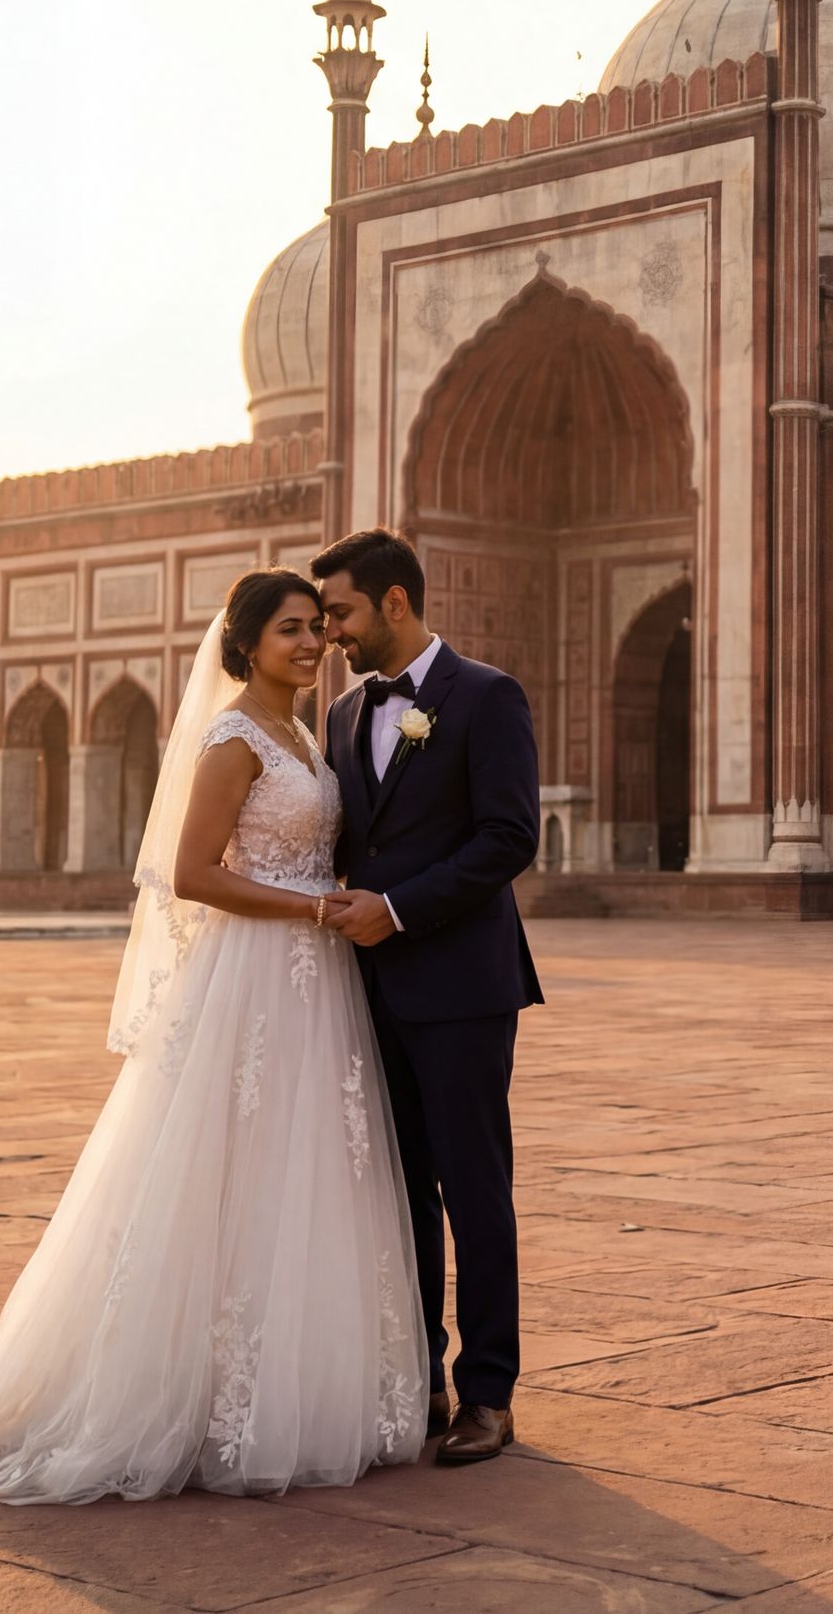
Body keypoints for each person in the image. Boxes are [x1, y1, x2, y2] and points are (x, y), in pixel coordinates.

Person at [0, 568, 425, 1501]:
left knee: (302, 1172)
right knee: (225, 1172)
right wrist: (313, 909)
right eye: (290, 630)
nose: (311, 644)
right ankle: (199, 1397)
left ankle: (295, 1385)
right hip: (256, 973)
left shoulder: (306, 734)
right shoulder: (234, 737)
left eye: (315, 629)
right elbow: (193, 872)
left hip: (313, 982)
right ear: (244, 645)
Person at [310, 528, 542, 1466]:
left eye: (342, 613)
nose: (331, 633)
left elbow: (507, 837)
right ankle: (422, 1378)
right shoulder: (339, 715)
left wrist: (398, 910)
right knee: (399, 1193)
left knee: (473, 1190)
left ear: (395, 602)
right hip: (369, 990)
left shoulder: (485, 696)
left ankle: (489, 1391)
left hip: (459, 984)